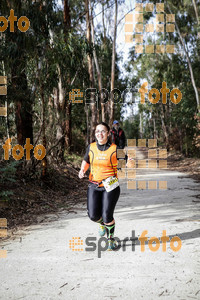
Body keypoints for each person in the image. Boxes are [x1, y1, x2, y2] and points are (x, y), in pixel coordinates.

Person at [78, 122, 120, 251]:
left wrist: (130, 162)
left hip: (110, 186)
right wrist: (82, 170)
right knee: (93, 216)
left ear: (108, 133)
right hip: (94, 185)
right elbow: (86, 160)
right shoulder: (91, 147)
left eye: (103, 131)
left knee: (107, 214)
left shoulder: (115, 148)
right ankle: (102, 224)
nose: (99, 134)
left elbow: (126, 160)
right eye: (97, 131)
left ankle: (110, 239)